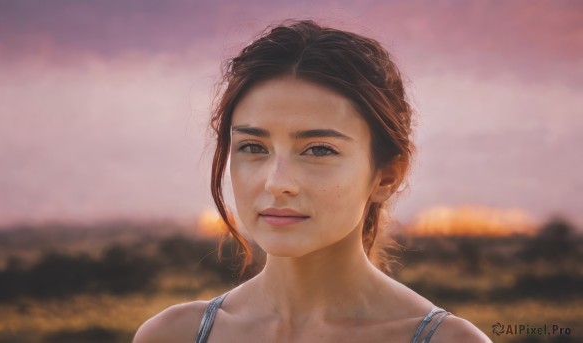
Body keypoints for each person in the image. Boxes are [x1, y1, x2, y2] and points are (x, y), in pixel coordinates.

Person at [134, 19, 491, 343]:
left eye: (319, 150)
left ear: (386, 175)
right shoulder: (173, 336)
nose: (277, 182)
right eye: (253, 146)